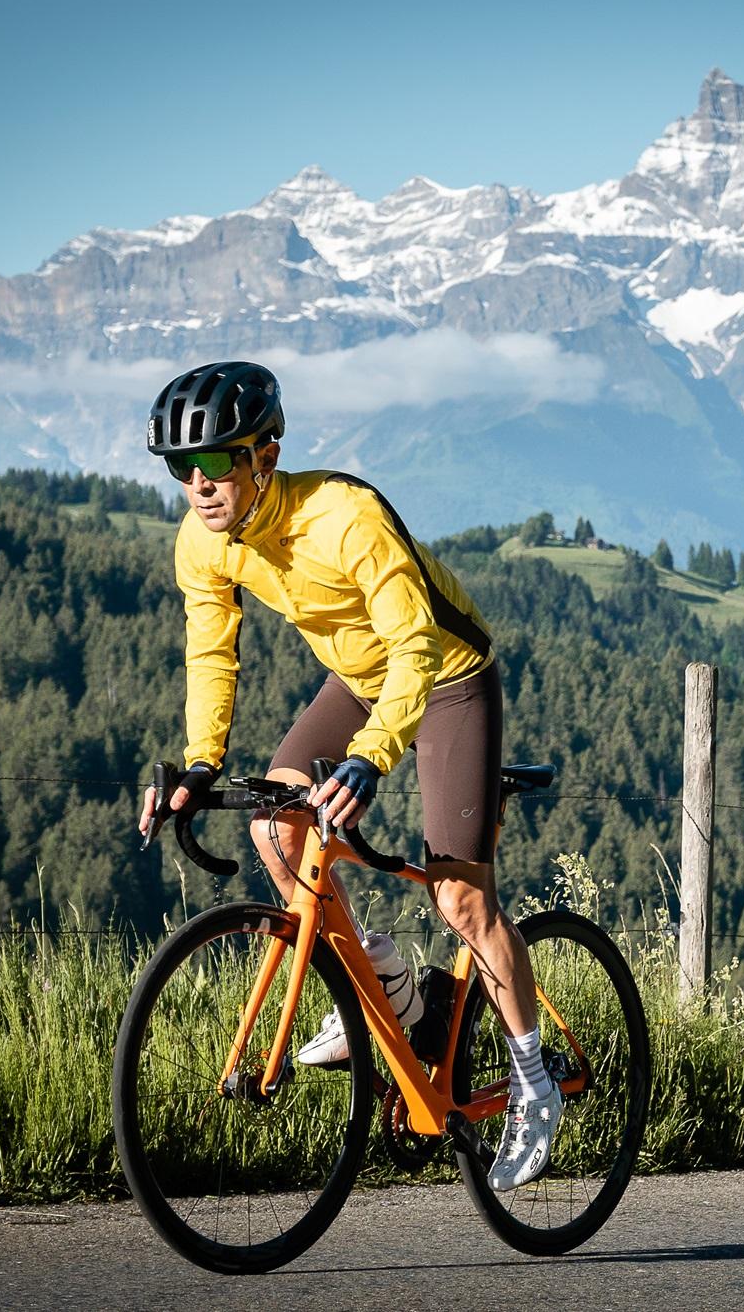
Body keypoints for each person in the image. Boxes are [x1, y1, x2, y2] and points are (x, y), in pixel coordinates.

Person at [134, 360, 557, 1192]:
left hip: (444, 673)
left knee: (460, 897)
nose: (198, 485)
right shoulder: (204, 538)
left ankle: (534, 1083)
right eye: (181, 469)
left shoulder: (344, 516)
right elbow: (211, 649)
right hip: (358, 676)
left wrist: (372, 754)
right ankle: (386, 980)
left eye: (218, 463)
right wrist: (200, 761)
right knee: (273, 824)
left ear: (266, 454)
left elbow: (417, 646)